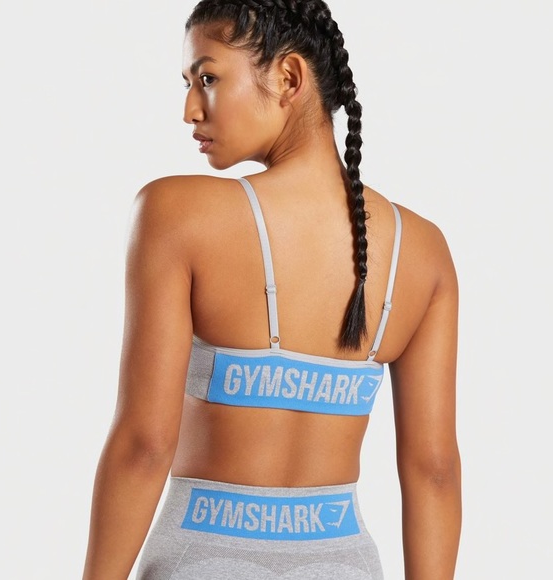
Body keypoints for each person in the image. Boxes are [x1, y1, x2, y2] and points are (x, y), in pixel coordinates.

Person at [82, 0, 461, 578]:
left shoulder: (177, 213)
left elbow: (145, 446)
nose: (190, 109)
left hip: (201, 559)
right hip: (344, 564)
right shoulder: (423, 250)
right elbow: (434, 471)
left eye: (208, 78)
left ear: (287, 78)